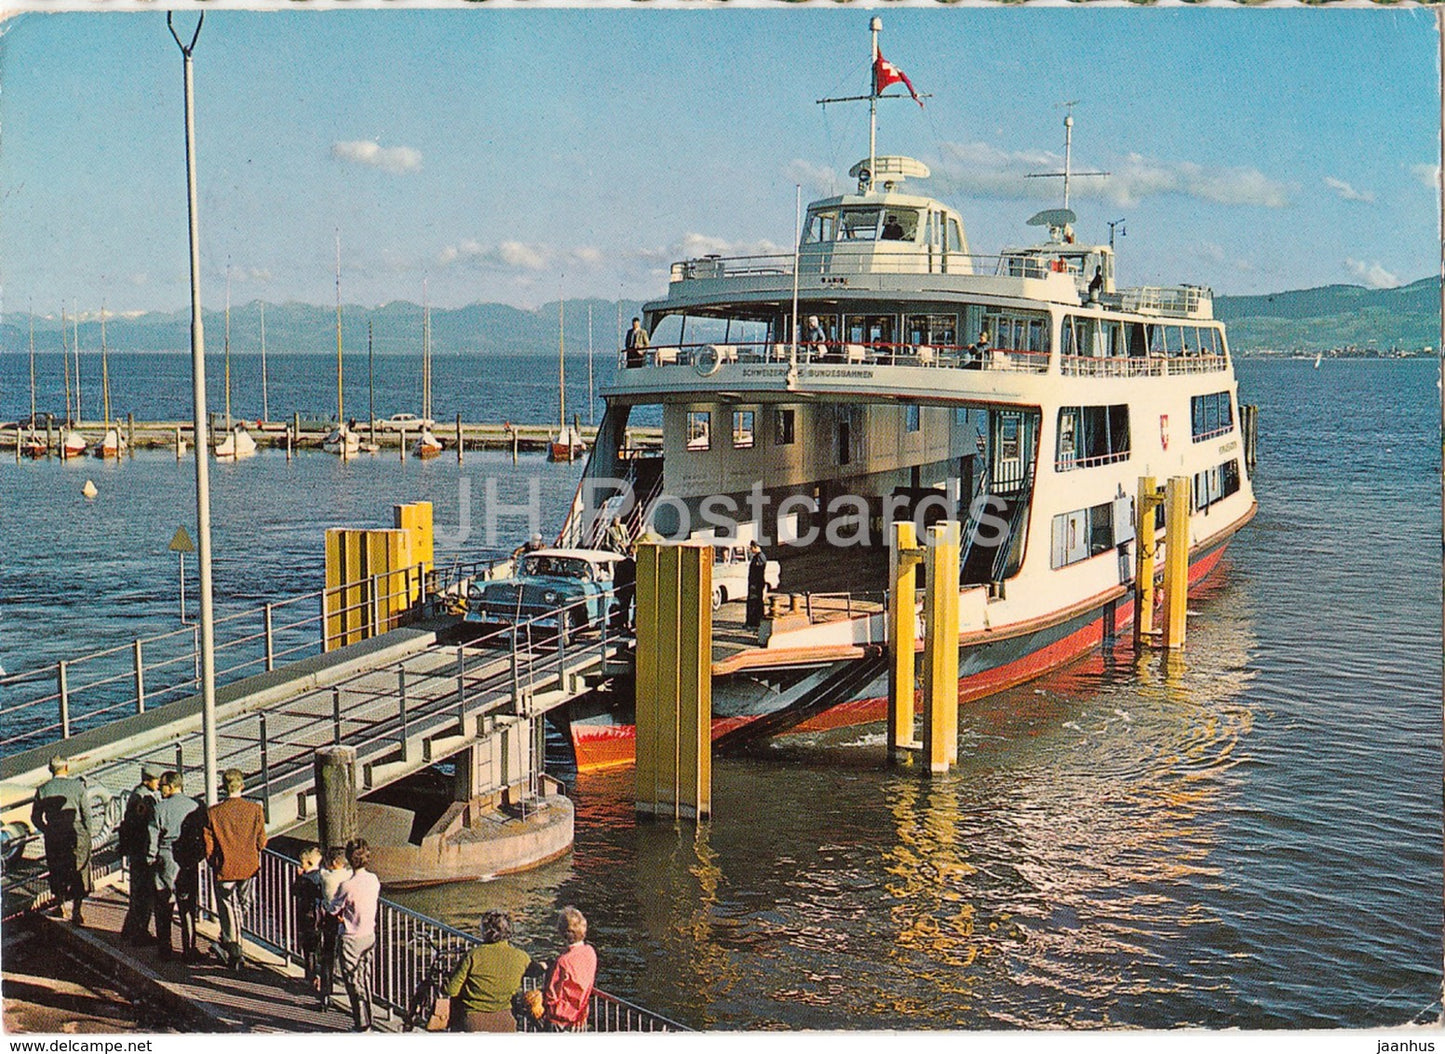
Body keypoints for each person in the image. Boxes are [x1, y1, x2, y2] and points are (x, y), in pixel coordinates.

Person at [202, 767, 267, 972]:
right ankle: (231, 941)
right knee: (244, 903)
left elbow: (208, 845)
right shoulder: (255, 810)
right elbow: (262, 841)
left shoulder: (213, 812)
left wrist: (215, 862)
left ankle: (234, 947)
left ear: (223, 787)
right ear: (242, 786)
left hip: (225, 868)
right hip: (249, 866)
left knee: (229, 906)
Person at [443, 910, 534, 1032]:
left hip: (474, 1022)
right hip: (506, 1022)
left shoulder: (474, 955)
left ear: (486, 931)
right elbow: (535, 970)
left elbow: (451, 990)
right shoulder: (521, 957)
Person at [149, 770, 204, 962]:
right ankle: (189, 948)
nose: (160, 789)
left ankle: (165, 947)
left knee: (164, 903)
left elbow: (152, 838)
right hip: (188, 858)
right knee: (187, 905)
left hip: (166, 856)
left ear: (171, 786)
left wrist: (150, 859)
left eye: (162, 785)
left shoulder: (160, 808)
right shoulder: (195, 805)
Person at [31, 756, 91, 925]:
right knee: (80, 870)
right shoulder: (78, 786)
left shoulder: (43, 789)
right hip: (76, 833)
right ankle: (77, 912)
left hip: (54, 834)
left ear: (51, 770)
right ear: (66, 767)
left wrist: (47, 830)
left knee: (57, 870)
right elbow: (86, 814)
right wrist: (87, 834)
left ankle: (61, 906)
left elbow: (35, 817)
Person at [330, 839, 381, 1032]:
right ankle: (370, 1018)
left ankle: (362, 1024)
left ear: (349, 860)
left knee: (352, 981)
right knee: (364, 978)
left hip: (351, 937)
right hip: (369, 934)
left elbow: (333, 908)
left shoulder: (346, 885)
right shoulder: (374, 880)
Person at [118, 763, 161, 944]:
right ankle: (137, 932)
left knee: (139, 892)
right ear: (147, 780)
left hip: (136, 850)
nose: (159, 784)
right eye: (156, 780)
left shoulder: (137, 795)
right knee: (143, 893)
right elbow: (144, 826)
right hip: (142, 851)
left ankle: (130, 930)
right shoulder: (144, 799)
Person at [542, 906, 597, 1033]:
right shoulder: (590, 952)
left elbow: (552, 994)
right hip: (580, 1017)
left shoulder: (563, 961)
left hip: (559, 1019)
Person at [316, 845, 352, 1006]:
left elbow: (320, 871)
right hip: (347, 920)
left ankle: (325, 992)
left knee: (327, 954)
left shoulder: (325, 877)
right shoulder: (349, 876)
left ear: (334, 862)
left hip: (330, 918)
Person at [292, 845, 325, 990]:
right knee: (319, 948)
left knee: (309, 948)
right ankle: (321, 977)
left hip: (307, 916)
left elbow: (295, 891)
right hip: (320, 916)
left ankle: (310, 976)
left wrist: (298, 877)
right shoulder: (322, 877)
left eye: (302, 863)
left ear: (309, 863)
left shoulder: (305, 879)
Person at [745, 540, 769, 630]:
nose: (751, 550)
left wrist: (755, 584)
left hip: (756, 584)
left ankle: (755, 622)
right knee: (753, 603)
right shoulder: (758, 557)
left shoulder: (760, 557)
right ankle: (752, 621)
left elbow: (758, 572)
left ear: (756, 547)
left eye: (751, 548)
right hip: (754, 583)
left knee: (755, 603)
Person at [613, 545, 636, 632]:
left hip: (622, 588)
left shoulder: (620, 564)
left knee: (624, 607)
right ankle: (632, 623)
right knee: (632, 606)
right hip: (631, 588)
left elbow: (616, 577)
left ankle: (623, 624)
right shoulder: (633, 565)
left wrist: (615, 588)